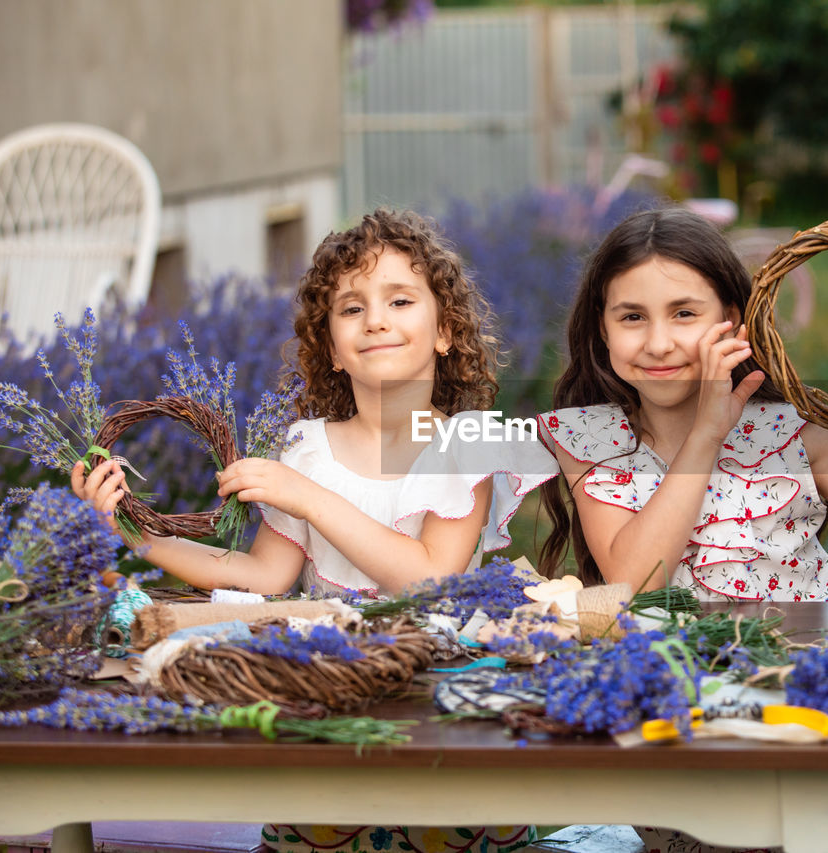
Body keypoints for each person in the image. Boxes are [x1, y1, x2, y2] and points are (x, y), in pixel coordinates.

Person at [74, 208, 555, 853]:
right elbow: (259, 575)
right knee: (321, 832)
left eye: (401, 300)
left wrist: (309, 498)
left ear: (444, 331)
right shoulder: (305, 448)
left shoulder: (464, 444)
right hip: (325, 693)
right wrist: (134, 530)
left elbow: (429, 578)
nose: (376, 319)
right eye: (351, 309)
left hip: (433, 700)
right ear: (330, 345)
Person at [537, 207, 828, 853]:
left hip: (818, 723)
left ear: (733, 323)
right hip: (685, 740)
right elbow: (633, 578)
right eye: (631, 316)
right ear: (601, 328)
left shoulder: (794, 432)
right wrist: (709, 431)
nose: (658, 341)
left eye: (684, 313)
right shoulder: (590, 437)